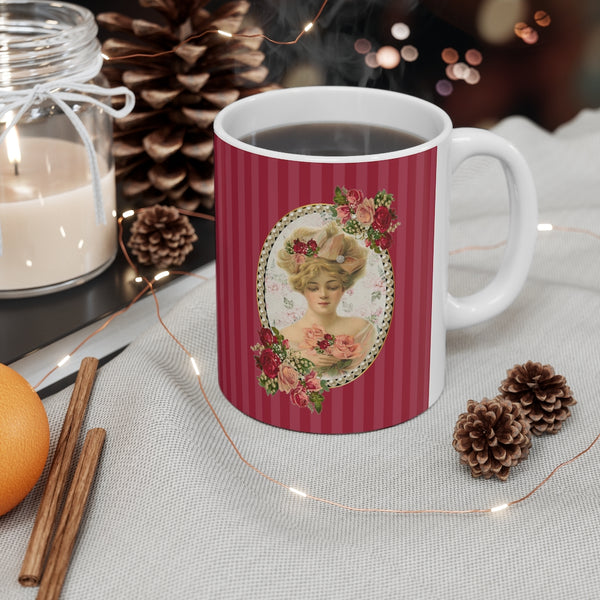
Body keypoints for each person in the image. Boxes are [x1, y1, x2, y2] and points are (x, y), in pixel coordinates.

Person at [276, 222, 376, 378]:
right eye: (313, 288)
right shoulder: (284, 338)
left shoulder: (364, 331)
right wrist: (300, 358)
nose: (323, 294)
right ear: (302, 288)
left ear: (343, 287)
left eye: (332, 287)